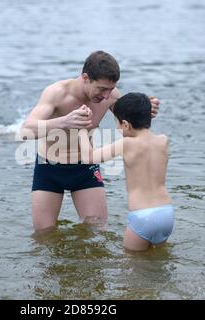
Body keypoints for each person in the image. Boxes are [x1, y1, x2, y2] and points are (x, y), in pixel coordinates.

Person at [20, 51, 160, 233]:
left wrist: (146, 112)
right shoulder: (56, 93)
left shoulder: (110, 95)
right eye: (101, 89)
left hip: (85, 168)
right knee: (44, 236)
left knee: (97, 233)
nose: (106, 95)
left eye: (110, 89)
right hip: (49, 168)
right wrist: (64, 122)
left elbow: (131, 123)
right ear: (86, 78)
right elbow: (25, 131)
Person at [78, 93, 174, 251]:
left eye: (117, 124)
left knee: (132, 267)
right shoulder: (163, 140)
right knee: (158, 261)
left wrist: (82, 129)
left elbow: (90, 158)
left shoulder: (126, 144)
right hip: (166, 214)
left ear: (125, 124)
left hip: (143, 215)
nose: (117, 129)